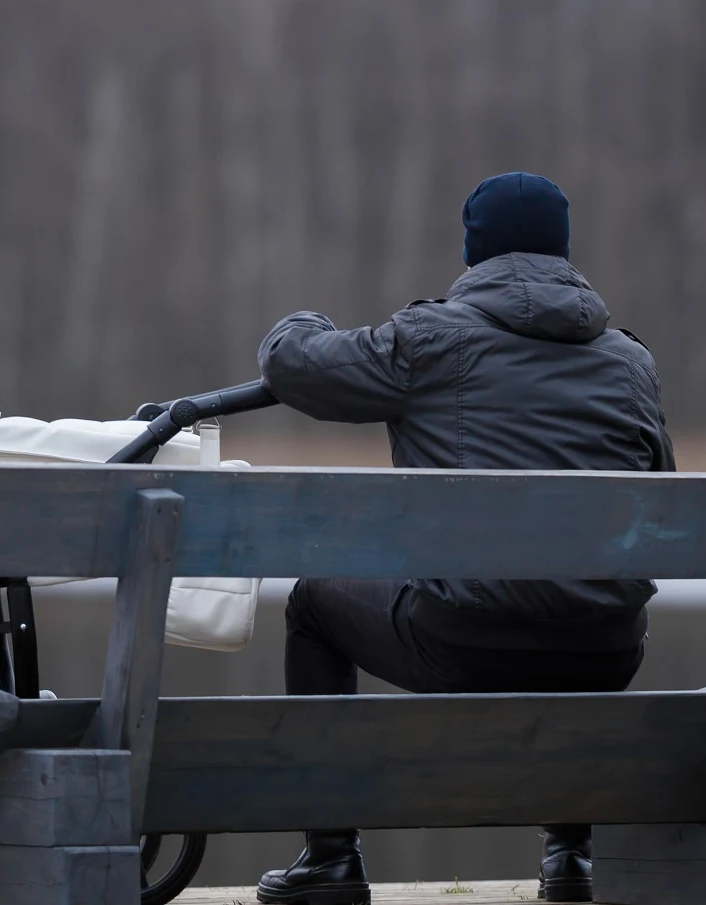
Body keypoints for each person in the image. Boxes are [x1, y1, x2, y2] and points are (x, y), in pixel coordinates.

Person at [254, 172, 675, 905]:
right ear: (563, 252)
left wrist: (301, 321)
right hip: (605, 651)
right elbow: (663, 496)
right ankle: (570, 854)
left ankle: (330, 856)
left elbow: (293, 366)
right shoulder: (630, 363)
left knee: (314, 600)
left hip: (463, 642)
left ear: (473, 251)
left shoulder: (431, 342)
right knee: (576, 607)